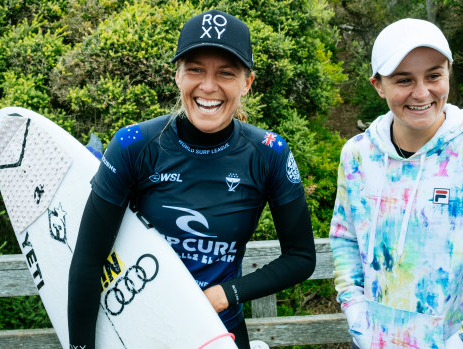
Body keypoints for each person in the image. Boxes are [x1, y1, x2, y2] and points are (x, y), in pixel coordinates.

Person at [67, 9, 316, 349]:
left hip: (218, 331)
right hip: (142, 332)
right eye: (195, 70)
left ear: (247, 82)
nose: (208, 86)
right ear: (177, 76)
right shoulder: (133, 146)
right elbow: (87, 261)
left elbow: (301, 258)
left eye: (226, 73)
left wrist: (226, 294)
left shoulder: (268, 152)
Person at [328, 18, 463, 348]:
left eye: (433, 75)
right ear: (378, 85)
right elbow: (345, 239)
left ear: (448, 73)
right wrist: (357, 313)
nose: (421, 92)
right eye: (404, 80)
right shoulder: (358, 154)